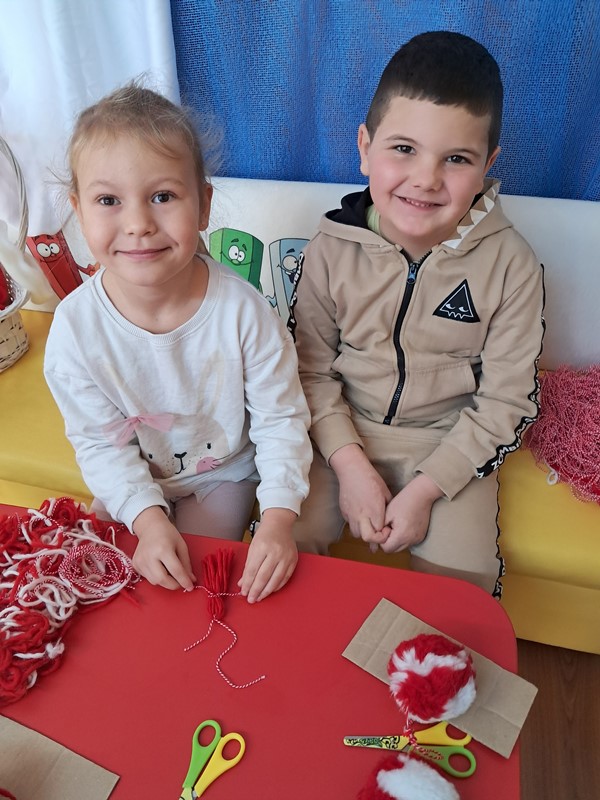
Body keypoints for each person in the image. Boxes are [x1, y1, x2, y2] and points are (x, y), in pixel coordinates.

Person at [291, 31, 545, 594]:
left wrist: (429, 487)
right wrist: (349, 463)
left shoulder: (513, 265)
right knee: (285, 545)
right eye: (403, 149)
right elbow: (309, 372)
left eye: (456, 159)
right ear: (365, 147)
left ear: (487, 165)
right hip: (339, 431)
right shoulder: (329, 249)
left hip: (450, 442)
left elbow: (506, 402)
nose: (427, 179)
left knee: (464, 587)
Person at [44, 84, 312, 603]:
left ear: (203, 205)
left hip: (222, 474)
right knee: (109, 586)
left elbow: (281, 418)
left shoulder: (244, 311)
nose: (139, 225)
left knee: (194, 586)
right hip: (132, 476)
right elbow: (100, 444)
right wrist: (146, 519)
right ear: (78, 212)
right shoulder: (75, 328)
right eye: (108, 201)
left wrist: (278, 518)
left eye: (162, 196)